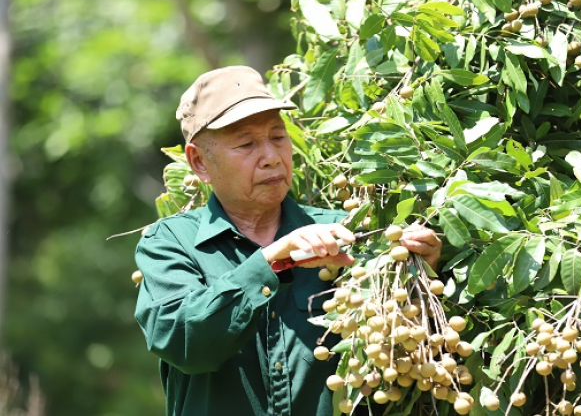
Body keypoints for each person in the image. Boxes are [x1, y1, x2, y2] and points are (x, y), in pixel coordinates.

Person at [133, 66, 442, 416]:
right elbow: (182, 341)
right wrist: (270, 262)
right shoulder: (170, 242)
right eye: (247, 144)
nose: (271, 157)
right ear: (200, 162)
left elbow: (402, 357)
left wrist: (419, 276)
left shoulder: (347, 231)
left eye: (278, 137)